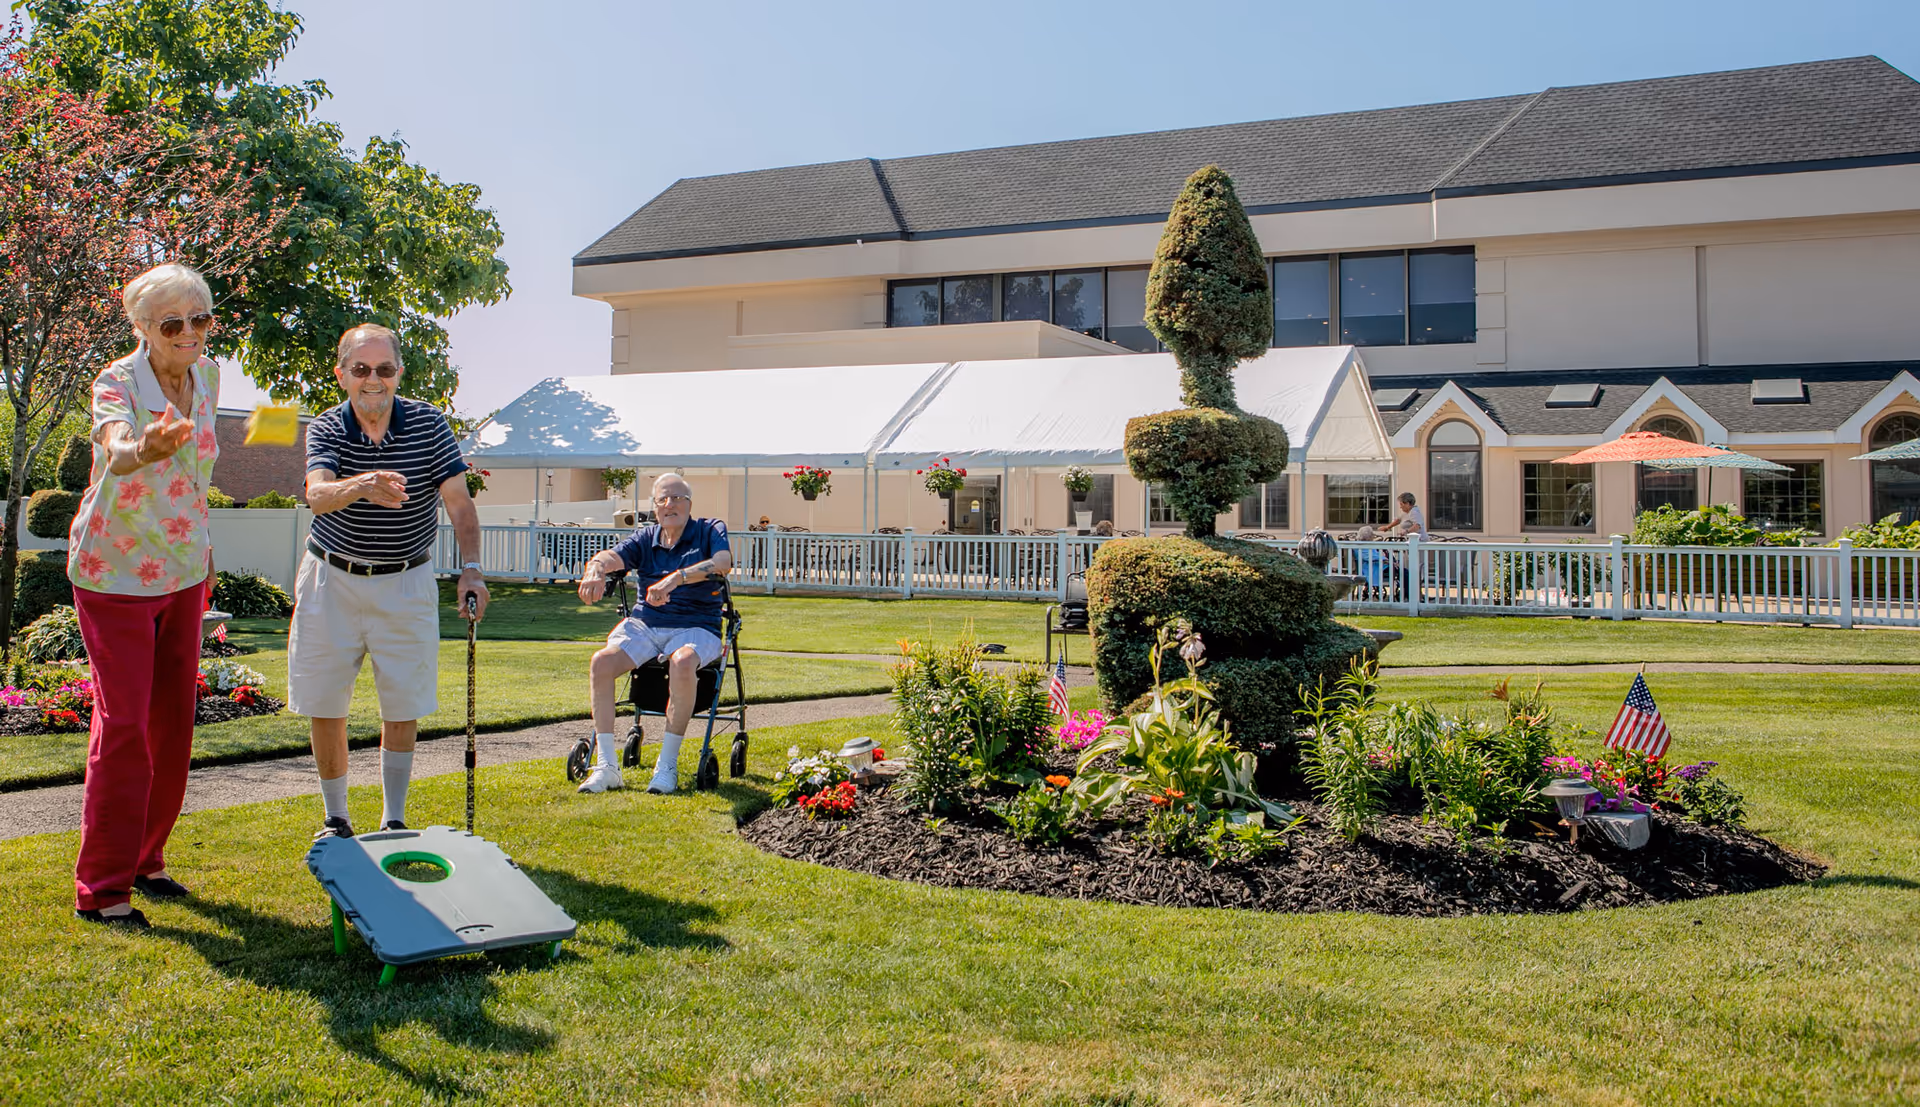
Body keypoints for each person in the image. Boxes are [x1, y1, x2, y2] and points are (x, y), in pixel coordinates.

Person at [68, 263, 221, 928]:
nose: (189, 334)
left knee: (172, 723)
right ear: (141, 328)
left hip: (184, 568)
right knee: (124, 723)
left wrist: (207, 545)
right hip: (114, 573)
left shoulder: (209, 375)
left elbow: (197, 474)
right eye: (172, 324)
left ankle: (146, 860)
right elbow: (114, 444)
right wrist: (141, 444)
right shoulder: (116, 381)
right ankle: (101, 887)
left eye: (201, 319)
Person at [293, 324, 488, 840]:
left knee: (402, 701)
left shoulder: (428, 423)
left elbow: (459, 503)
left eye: (383, 369)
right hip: (331, 577)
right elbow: (317, 494)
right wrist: (364, 485)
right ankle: (336, 818)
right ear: (342, 376)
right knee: (325, 700)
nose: (372, 380)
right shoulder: (328, 427)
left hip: (407, 578)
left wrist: (471, 568)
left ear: (398, 373)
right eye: (360, 369)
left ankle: (394, 819)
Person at [573, 473, 732, 795]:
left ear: (689, 504)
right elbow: (609, 556)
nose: (670, 504)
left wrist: (676, 578)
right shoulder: (646, 537)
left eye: (677, 498)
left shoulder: (709, 529)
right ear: (655, 506)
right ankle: (606, 766)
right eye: (663, 499)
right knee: (601, 662)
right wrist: (595, 570)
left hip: (698, 624)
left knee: (684, 661)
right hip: (647, 623)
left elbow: (723, 563)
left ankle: (667, 765)